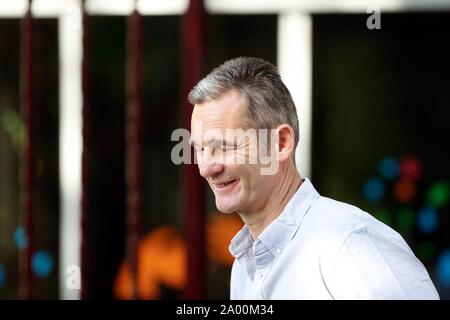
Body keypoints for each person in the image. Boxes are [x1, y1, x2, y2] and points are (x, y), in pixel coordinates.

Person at [188, 57, 439, 299]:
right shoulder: (245, 267)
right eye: (200, 149)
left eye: (224, 146)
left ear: (280, 143)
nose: (206, 168)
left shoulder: (350, 245)